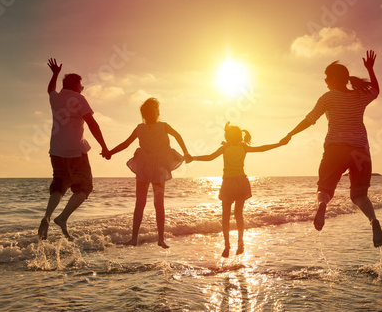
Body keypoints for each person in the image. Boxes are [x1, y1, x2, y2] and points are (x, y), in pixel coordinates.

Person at [281, 50, 382, 248]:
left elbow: (310, 119)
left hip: (335, 150)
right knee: (359, 196)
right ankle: (373, 221)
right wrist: (370, 70)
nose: (325, 81)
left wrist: (290, 134)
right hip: (360, 151)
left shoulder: (328, 97)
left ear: (335, 78)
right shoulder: (359, 95)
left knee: (325, 189)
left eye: (327, 77)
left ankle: (322, 206)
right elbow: (376, 91)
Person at [102, 97, 190, 249]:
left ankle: (134, 238)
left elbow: (125, 144)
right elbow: (178, 136)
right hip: (158, 168)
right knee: (158, 204)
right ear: (157, 112)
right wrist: (186, 152)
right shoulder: (162, 126)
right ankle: (160, 239)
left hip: (144, 166)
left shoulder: (140, 128)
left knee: (140, 203)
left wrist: (110, 152)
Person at [188, 122, 286, 257]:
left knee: (226, 216)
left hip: (228, 183)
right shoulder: (243, 147)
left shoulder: (225, 148)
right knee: (239, 214)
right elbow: (262, 148)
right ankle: (240, 242)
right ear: (239, 137)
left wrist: (193, 157)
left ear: (228, 137)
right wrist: (279, 144)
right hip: (241, 182)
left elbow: (210, 157)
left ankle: (227, 245)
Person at [38, 59, 109, 241]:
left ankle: (46, 216)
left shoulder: (56, 98)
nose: (82, 87)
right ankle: (62, 218)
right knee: (85, 187)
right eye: (81, 84)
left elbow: (50, 90)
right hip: (75, 151)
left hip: (56, 150)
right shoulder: (79, 99)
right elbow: (92, 124)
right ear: (76, 85)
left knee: (60, 185)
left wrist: (54, 74)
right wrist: (104, 146)